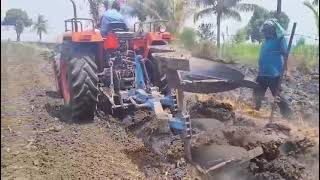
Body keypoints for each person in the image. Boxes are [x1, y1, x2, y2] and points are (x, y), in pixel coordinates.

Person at [253, 19, 292, 118]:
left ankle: (288, 115)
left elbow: (286, 55)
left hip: (274, 74)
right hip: (262, 73)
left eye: (267, 30)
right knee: (257, 93)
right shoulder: (265, 41)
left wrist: (288, 71)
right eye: (264, 30)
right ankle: (255, 111)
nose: (265, 32)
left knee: (277, 95)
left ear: (273, 30)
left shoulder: (280, 40)